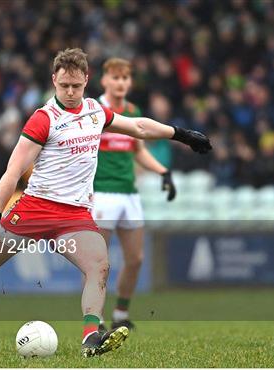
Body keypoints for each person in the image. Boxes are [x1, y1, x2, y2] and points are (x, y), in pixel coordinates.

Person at [0, 48, 212, 357]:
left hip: (75, 215)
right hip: (35, 208)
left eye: (76, 86)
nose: (70, 93)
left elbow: (138, 127)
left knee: (99, 265)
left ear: (86, 80)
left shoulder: (96, 111)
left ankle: (90, 337)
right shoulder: (44, 119)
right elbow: (13, 170)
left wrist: (182, 134)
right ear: (54, 80)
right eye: (64, 86)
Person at [92, 58, 176, 331]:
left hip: (129, 193)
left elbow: (138, 151)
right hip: (102, 192)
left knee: (136, 259)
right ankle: (96, 319)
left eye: (125, 78)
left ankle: (120, 315)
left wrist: (163, 171)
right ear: (104, 80)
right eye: (115, 78)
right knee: (98, 263)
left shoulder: (132, 111)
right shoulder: (94, 110)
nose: (121, 83)